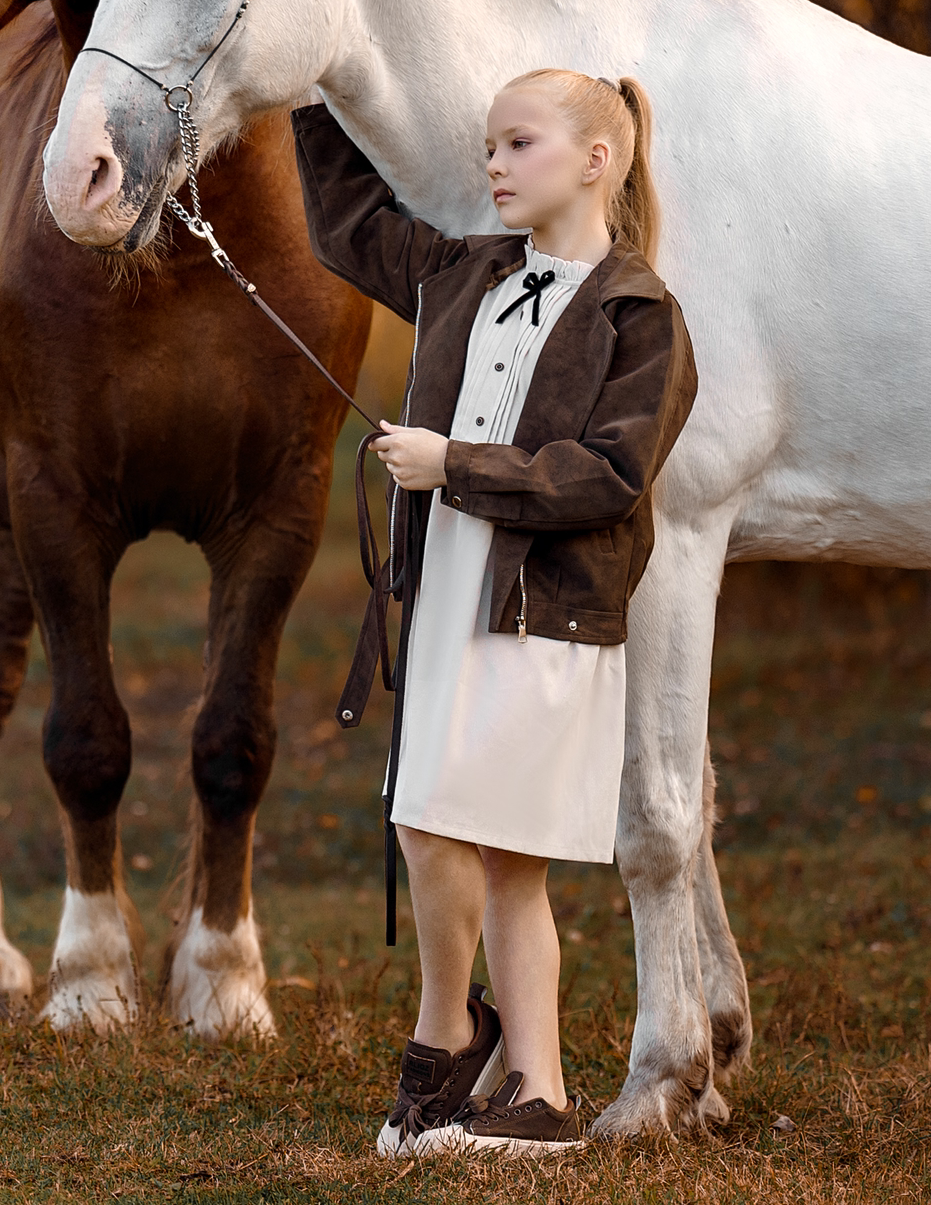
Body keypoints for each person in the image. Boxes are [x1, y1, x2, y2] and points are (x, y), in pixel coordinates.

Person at [289, 70, 698, 1157]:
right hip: (446, 590)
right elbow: (344, 223)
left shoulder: (639, 313)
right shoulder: (462, 272)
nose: (495, 165)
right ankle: (526, 1079)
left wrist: (450, 463)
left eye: (519, 143)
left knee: (493, 842)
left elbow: (610, 474)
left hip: (545, 611)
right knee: (440, 823)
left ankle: (474, 1051)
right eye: (490, 146)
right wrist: (301, 85)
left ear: (595, 159)